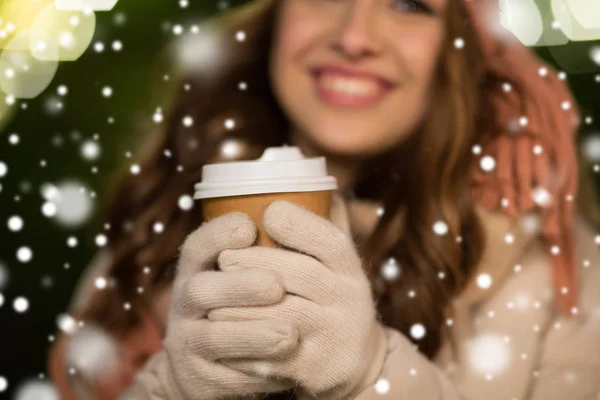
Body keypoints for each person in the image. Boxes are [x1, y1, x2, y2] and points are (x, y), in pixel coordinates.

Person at [48, 0, 600, 399]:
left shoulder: (554, 268)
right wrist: (171, 387)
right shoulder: (161, 218)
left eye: (409, 4)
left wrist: (371, 374)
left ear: (459, 47)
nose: (356, 36)